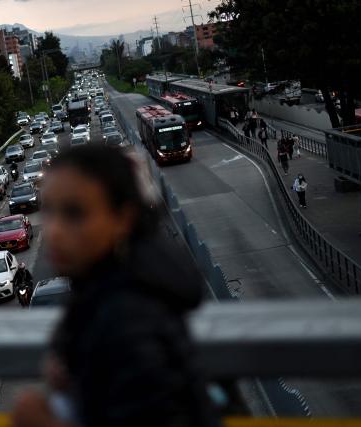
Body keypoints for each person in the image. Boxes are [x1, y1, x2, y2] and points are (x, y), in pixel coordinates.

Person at [13, 146, 213, 427]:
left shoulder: (127, 318)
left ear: (123, 219)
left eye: (74, 213)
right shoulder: (110, 285)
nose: (54, 230)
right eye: (49, 211)